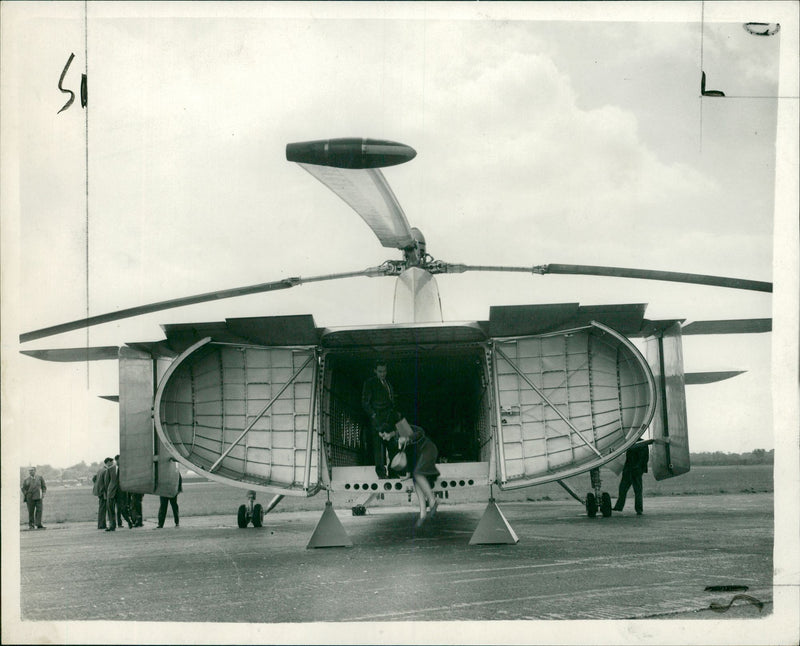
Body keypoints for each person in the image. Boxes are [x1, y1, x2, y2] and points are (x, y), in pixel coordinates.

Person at [382, 419, 440, 527]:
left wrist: (407, 438)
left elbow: (420, 432)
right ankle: (422, 513)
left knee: (418, 474)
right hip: (420, 454)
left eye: (384, 435)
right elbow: (408, 454)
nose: (384, 438)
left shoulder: (402, 427)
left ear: (389, 431)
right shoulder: (395, 440)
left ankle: (432, 501)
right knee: (415, 479)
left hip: (427, 449)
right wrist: (408, 472)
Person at [362, 360, 398, 478]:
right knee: (379, 447)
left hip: (389, 419)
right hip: (377, 419)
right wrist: (374, 416)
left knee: (392, 446)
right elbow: (365, 403)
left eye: (384, 371)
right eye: (380, 371)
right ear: (375, 371)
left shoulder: (388, 383)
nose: (383, 374)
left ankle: (393, 473)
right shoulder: (370, 383)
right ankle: (381, 474)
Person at [612, 440, 654, 515]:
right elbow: (644, 458)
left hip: (632, 470)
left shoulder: (631, 442)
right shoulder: (641, 443)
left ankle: (620, 506)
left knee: (625, 489)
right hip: (633, 470)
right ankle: (638, 509)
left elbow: (643, 458)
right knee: (634, 490)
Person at [156, 461, 182, 528]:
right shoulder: (175, 472)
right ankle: (177, 522)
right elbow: (179, 479)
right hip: (171, 491)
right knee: (174, 506)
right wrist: (178, 490)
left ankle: (160, 524)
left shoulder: (162, 472)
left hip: (165, 491)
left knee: (163, 507)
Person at [114, 455, 133, 528]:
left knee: (122, 508)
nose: (116, 462)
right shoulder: (120, 468)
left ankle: (129, 521)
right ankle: (121, 522)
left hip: (122, 492)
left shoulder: (122, 468)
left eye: (117, 460)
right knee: (120, 508)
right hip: (120, 492)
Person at [92, 459, 110, 530]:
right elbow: (106, 482)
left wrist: (97, 485)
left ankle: (101, 524)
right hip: (103, 492)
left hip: (99, 491)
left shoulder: (100, 470)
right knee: (103, 508)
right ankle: (102, 525)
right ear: (108, 462)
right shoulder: (106, 471)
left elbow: (94, 479)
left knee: (101, 508)